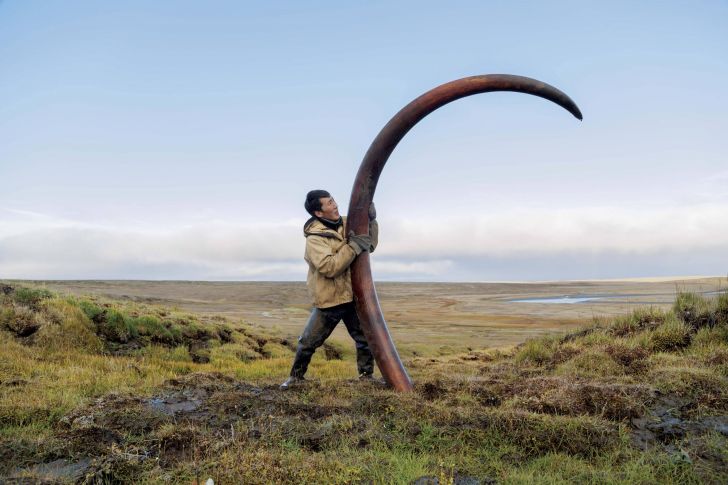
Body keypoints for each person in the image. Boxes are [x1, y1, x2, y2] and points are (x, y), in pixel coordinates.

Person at [280, 189, 378, 389]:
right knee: (308, 342)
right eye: (329, 203)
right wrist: (352, 246)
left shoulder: (348, 222)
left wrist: (371, 222)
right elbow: (329, 267)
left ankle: (366, 377)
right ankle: (295, 379)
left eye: (333, 200)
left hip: (352, 297)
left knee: (365, 339)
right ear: (318, 212)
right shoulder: (314, 239)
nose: (335, 205)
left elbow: (369, 245)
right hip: (329, 301)